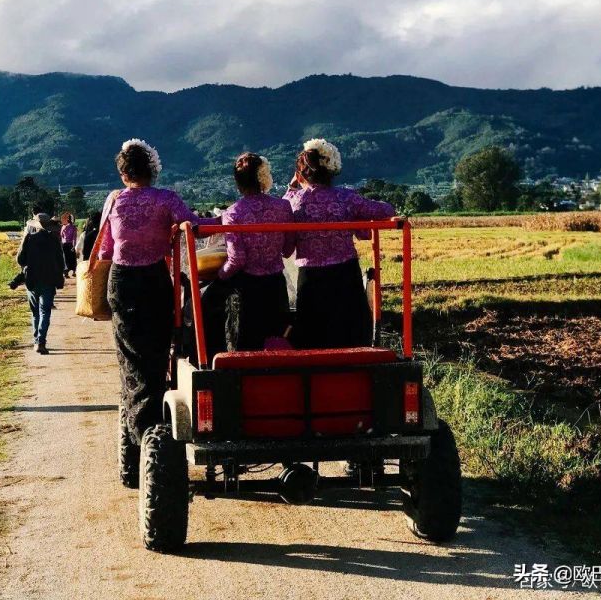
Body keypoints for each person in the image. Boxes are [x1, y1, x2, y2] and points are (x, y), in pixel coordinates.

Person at [99, 138, 217, 446]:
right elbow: (194, 225)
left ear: (123, 172)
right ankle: (155, 424)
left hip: (122, 281)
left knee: (130, 357)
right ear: (153, 170)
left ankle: (139, 426)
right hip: (154, 280)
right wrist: (229, 219)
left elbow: (105, 252)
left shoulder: (114, 201)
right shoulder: (166, 199)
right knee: (158, 351)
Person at [284, 139, 395, 350]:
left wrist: (291, 187)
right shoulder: (346, 198)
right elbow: (387, 211)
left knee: (313, 339)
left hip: (311, 278)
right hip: (345, 276)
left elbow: (285, 233)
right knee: (349, 337)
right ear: (331, 171)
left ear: (300, 175)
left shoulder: (293, 201)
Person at [206, 152, 295, 354]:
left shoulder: (233, 213)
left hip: (247, 291)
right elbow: (288, 250)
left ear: (238, 182)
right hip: (276, 287)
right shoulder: (283, 207)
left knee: (247, 348)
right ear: (263, 177)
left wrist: (219, 277)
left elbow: (237, 259)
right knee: (276, 346)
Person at [16, 212, 65, 355]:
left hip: (32, 279)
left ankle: (36, 340)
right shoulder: (54, 240)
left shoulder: (29, 239)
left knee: (35, 312)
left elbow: (20, 259)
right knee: (45, 312)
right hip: (49, 280)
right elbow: (61, 262)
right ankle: (41, 341)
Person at [60, 212, 78, 277]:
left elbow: (61, 236)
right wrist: (74, 246)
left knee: (66, 259)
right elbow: (74, 238)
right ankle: (73, 272)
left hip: (64, 245)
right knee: (72, 259)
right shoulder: (73, 227)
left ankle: (66, 273)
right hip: (70, 245)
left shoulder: (63, 227)